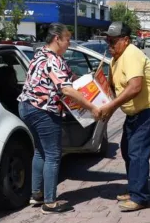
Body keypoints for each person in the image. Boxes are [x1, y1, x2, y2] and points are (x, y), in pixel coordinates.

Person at [18, 23, 99, 213]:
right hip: (43, 110)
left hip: (26, 107)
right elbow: (66, 89)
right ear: (57, 39)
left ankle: (36, 194)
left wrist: (91, 80)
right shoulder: (53, 60)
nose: (69, 44)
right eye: (67, 39)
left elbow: (71, 78)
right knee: (53, 154)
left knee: (40, 151)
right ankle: (50, 202)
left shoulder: (40, 55)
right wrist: (91, 106)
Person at [97, 21, 150, 212]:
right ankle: (134, 189)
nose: (109, 44)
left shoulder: (131, 54)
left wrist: (111, 106)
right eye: (107, 40)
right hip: (136, 111)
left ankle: (140, 197)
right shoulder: (115, 59)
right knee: (127, 149)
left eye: (113, 41)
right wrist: (108, 109)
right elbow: (116, 90)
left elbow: (135, 87)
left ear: (126, 40)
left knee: (137, 151)